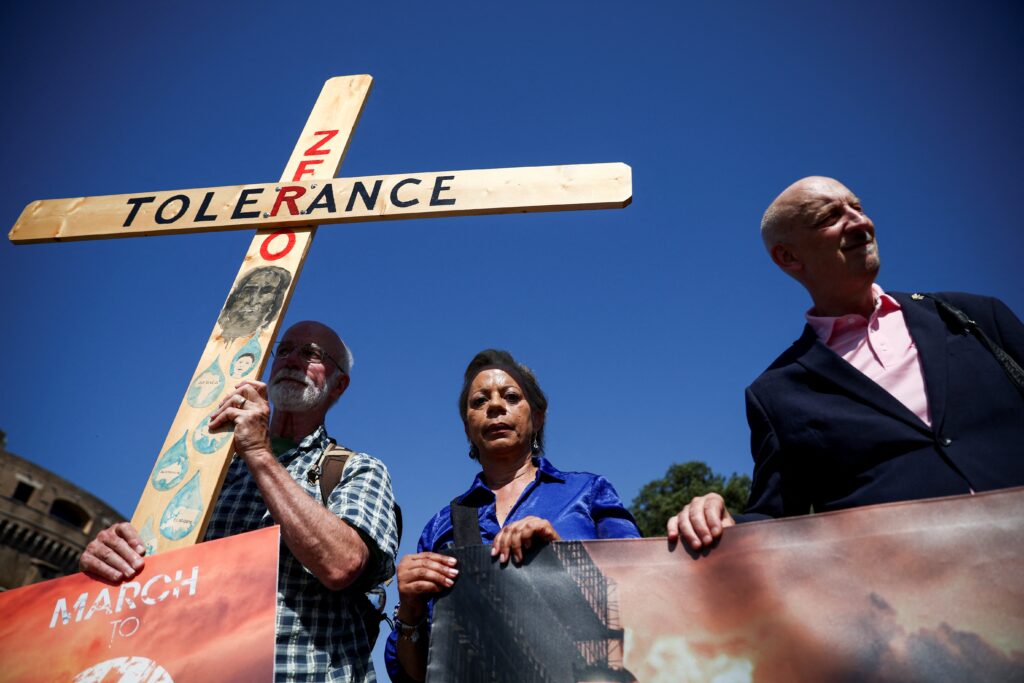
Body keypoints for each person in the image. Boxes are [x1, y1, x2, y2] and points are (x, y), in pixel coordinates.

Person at [669, 176, 1024, 550]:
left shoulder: (974, 316)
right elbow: (775, 520)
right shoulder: (776, 393)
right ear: (788, 257)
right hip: (918, 597)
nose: (859, 222)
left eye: (858, 207)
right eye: (830, 216)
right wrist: (718, 520)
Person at [80, 321, 399, 683]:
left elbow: (342, 565)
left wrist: (259, 453)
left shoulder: (355, 468)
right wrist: (111, 561)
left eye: (311, 353)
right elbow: (157, 574)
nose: (292, 360)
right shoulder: (207, 467)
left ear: (338, 384)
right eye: (285, 350)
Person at [385, 349, 640, 682]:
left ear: (538, 417)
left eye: (510, 396)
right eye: (479, 402)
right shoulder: (441, 526)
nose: (494, 406)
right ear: (467, 428)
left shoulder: (587, 493)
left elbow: (642, 593)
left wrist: (561, 557)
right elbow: (421, 674)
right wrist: (410, 611)